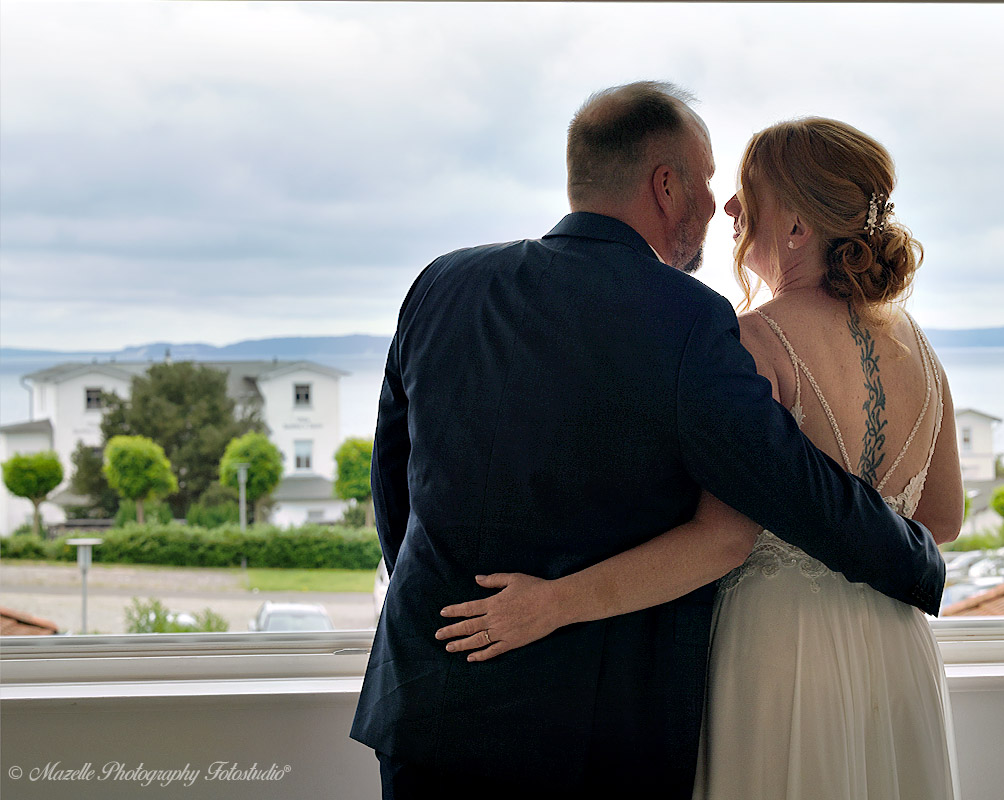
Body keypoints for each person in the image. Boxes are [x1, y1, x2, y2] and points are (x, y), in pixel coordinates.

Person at [352, 82, 946, 800]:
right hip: (596, 730)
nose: (718, 203)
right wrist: (916, 563)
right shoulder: (689, 320)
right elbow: (785, 484)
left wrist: (442, 599)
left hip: (426, 701)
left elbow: (393, 482)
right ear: (665, 187)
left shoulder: (440, 283)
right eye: (704, 180)